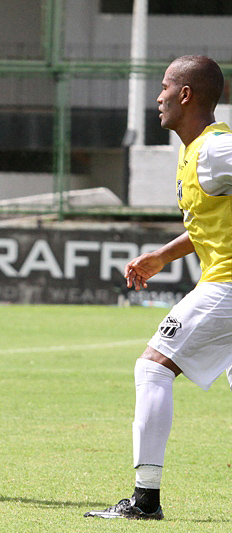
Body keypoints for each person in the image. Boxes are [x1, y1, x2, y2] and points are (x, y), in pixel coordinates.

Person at [85, 55, 229, 520]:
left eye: (164, 86)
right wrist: (164, 255)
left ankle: (145, 500)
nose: (158, 96)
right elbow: (211, 222)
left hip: (226, 285)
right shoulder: (196, 152)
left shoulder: (215, 149)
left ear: (185, 94)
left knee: (153, 368)